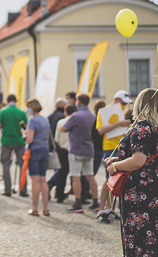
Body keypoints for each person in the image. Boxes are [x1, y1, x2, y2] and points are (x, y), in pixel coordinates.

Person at [105, 88, 158, 256]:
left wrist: (115, 167)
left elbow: (138, 160)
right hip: (153, 187)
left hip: (140, 191)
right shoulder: (154, 126)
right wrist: (120, 160)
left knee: (139, 240)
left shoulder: (142, 126)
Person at [61, 93, 99, 213]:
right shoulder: (92, 115)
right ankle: (95, 201)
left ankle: (77, 202)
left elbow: (63, 128)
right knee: (90, 176)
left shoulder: (76, 115)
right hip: (89, 149)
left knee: (76, 177)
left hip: (76, 149)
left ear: (78, 102)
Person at [97, 90, 131, 214]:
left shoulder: (121, 111)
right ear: (116, 100)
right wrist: (119, 124)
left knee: (117, 179)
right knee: (108, 179)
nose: (124, 106)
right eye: (123, 103)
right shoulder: (104, 112)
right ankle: (102, 209)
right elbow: (101, 130)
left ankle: (109, 209)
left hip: (120, 147)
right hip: (110, 148)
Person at [0, 94, 28, 197]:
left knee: (6, 165)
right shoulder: (22, 112)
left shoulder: (3, 111)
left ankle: (8, 190)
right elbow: (27, 127)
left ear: (7, 100)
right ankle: (23, 190)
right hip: (19, 141)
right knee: (22, 166)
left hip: (6, 141)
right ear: (16, 101)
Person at [24, 98, 50, 216]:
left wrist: (23, 134)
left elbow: (29, 139)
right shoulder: (45, 119)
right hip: (45, 149)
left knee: (35, 181)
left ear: (31, 107)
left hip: (34, 150)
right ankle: (46, 208)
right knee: (43, 180)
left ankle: (35, 209)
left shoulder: (32, 121)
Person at [47, 104, 76, 203]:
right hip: (74, 150)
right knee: (74, 173)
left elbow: (56, 139)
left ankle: (59, 195)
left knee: (62, 173)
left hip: (63, 150)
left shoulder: (61, 122)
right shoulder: (76, 121)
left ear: (65, 112)